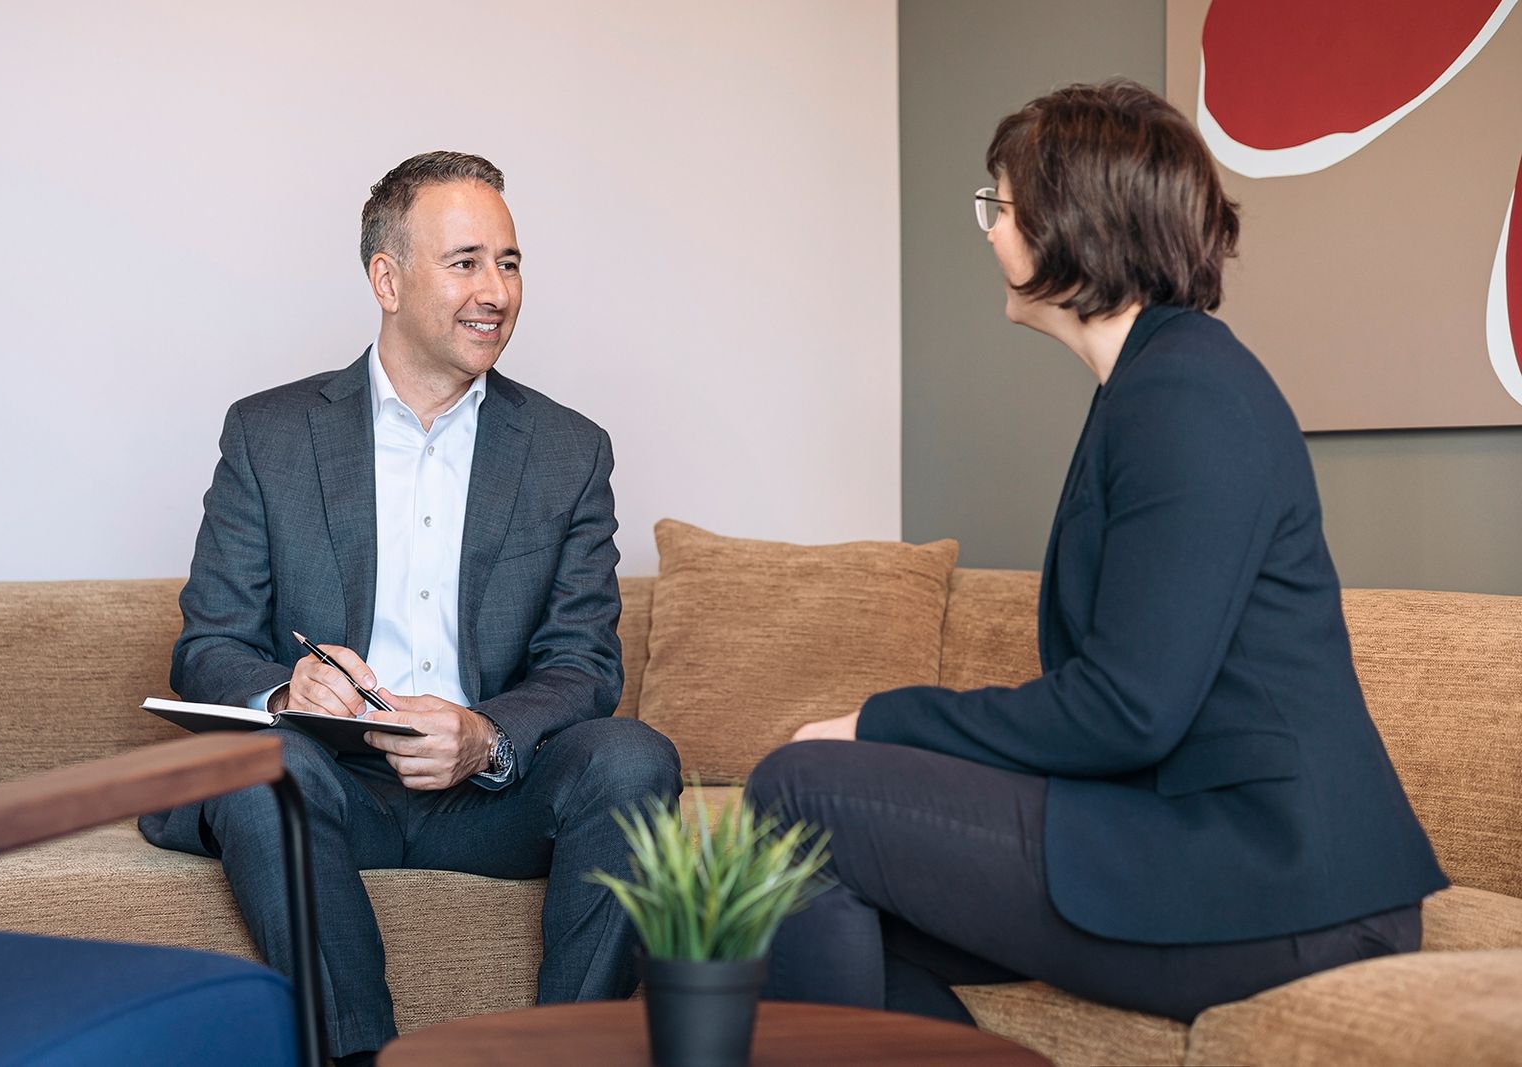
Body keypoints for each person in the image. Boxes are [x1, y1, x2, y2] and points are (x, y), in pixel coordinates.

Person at [746, 81, 1446, 1025]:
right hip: (1214, 848)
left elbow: (1127, 709)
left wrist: (879, 721)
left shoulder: (1187, 396)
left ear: (1071, 225)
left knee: (797, 791)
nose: (991, 231)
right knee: (838, 902)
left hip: (1282, 885)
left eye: (1001, 206)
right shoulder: (1155, 382)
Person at [139, 151, 681, 1065]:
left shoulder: (569, 450)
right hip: (326, 781)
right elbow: (210, 645)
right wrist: (290, 692)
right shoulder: (270, 435)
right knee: (260, 763)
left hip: (491, 797)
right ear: (386, 280)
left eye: (508, 263)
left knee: (635, 755)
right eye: (466, 262)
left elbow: (584, 664)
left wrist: (484, 733)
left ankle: (567, 1055)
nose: (496, 292)